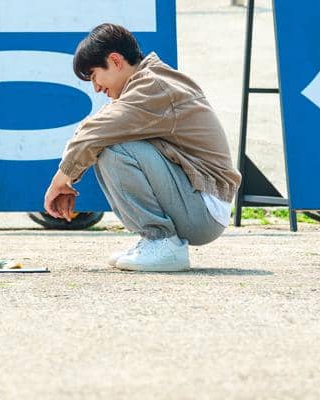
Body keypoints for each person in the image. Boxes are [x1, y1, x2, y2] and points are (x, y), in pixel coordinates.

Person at [43, 23, 241, 272]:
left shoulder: (154, 87)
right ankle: (154, 241)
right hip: (197, 203)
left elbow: (95, 133)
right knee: (106, 139)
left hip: (203, 212)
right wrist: (68, 174)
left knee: (113, 148)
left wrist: (61, 179)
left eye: (94, 76)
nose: (95, 88)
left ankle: (162, 242)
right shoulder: (145, 85)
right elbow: (91, 127)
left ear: (115, 61)